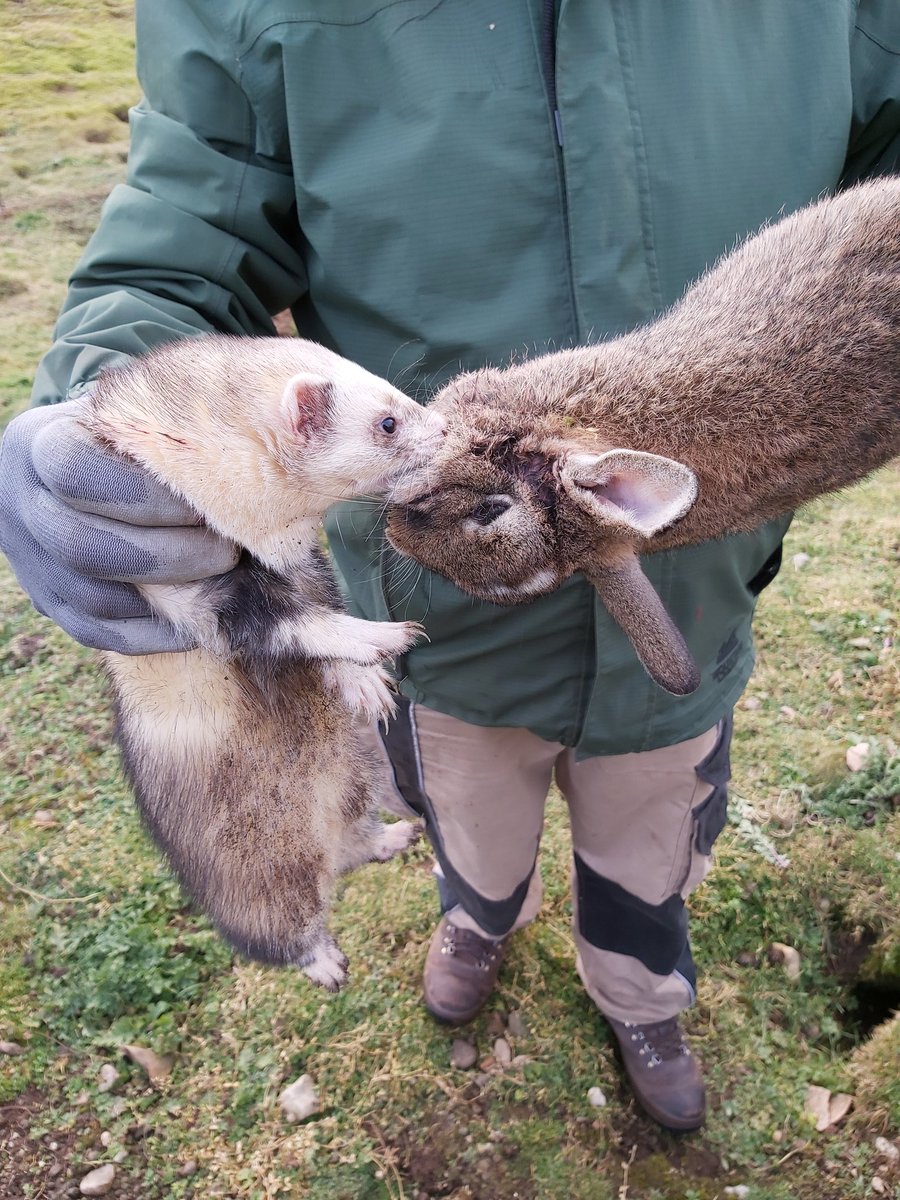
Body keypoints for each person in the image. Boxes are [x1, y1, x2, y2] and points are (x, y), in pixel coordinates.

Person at [1, 0, 898, 1133]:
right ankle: (480, 918)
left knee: (651, 846)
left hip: (686, 619)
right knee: (471, 824)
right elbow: (186, 228)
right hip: (439, 647)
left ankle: (642, 994)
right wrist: (105, 407)